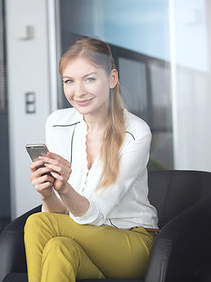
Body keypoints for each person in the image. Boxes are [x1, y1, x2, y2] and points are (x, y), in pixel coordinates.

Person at [24, 36, 159, 282]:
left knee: (37, 224)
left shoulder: (135, 132)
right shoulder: (58, 124)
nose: (78, 92)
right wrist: (47, 193)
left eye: (90, 79)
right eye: (69, 81)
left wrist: (64, 187)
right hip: (83, 239)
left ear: (112, 79)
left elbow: (95, 214)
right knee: (57, 250)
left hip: (131, 243)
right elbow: (62, 213)